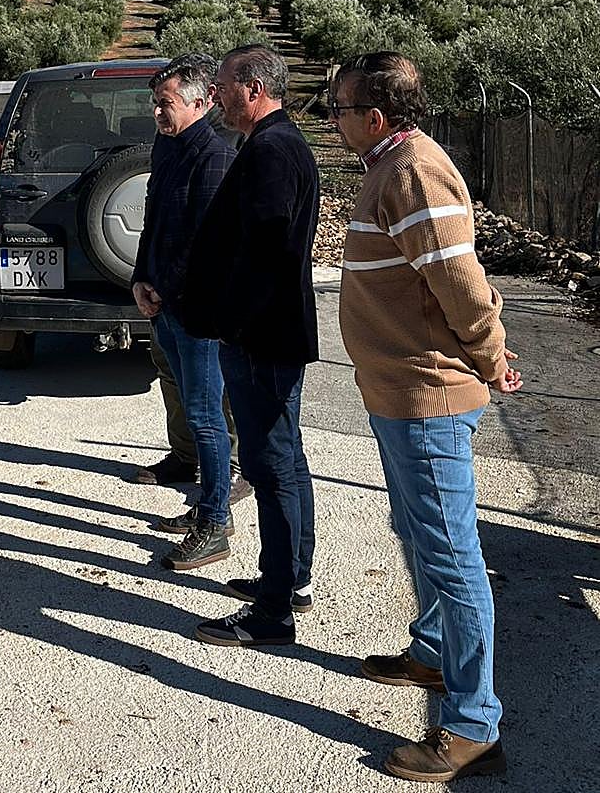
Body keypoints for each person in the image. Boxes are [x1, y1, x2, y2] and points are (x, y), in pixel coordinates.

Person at [331, 52, 517, 782]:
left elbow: (460, 284)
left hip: (427, 398)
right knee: (419, 534)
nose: (335, 120)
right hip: (398, 396)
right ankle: (434, 656)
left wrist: (491, 354)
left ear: (375, 117)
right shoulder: (390, 165)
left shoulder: (412, 171)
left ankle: (473, 726)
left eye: (341, 108)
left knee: (450, 555)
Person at [180, 44, 319, 646]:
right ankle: (289, 580)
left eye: (223, 84)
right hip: (269, 333)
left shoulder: (271, 150)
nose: (215, 95)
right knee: (284, 458)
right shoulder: (271, 144)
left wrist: (230, 322)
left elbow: (266, 251)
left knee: (271, 466)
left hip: (262, 338)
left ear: (254, 88)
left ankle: (273, 612)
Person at [130, 54, 238, 570]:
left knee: (206, 416)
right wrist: (139, 280)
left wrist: (164, 291)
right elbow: (154, 223)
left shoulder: (215, 157)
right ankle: (207, 507)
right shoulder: (168, 148)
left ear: (200, 102)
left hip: (196, 311)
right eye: (155, 103)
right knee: (193, 410)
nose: (157, 112)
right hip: (165, 306)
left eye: (165, 103)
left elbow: (205, 246)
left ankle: (215, 520)